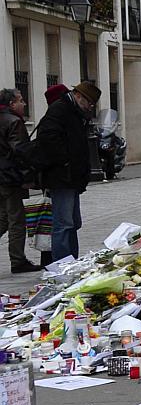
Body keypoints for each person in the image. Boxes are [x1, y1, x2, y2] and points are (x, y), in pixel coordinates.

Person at [36, 80, 99, 262]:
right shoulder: (60, 109)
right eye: (89, 102)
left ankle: (72, 260)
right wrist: (65, 162)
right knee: (63, 224)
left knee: (73, 223)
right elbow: (48, 139)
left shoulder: (75, 111)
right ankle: (62, 265)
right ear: (78, 96)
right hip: (61, 176)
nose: (90, 106)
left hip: (72, 177)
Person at [0, 89, 37, 273]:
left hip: (2, 177)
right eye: (21, 100)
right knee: (16, 219)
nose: (24, 104)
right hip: (11, 177)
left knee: (3, 217)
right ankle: (18, 260)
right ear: (11, 104)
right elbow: (20, 151)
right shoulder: (14, 122)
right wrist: (28, 177)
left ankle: (18, 259)